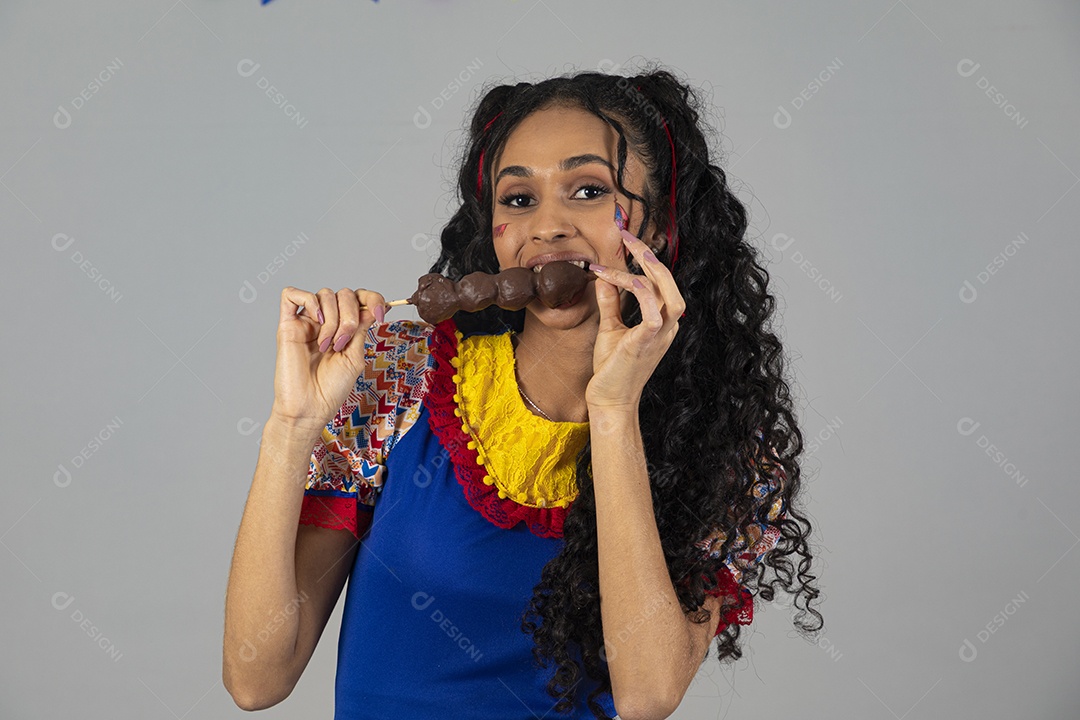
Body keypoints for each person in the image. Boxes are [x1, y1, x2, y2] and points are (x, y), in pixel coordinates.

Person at [223, 62, 823, 719]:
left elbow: (649, 692)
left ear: (658, 227)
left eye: (588, 191)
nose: (548, 226)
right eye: (518, 199)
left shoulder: (727, 443)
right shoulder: (396, 377)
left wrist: (614, 410)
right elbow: (256, 679)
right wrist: (291, 425)